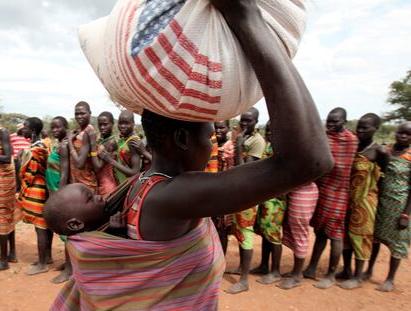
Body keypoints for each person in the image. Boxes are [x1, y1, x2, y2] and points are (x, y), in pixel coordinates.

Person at [50, 1, 332, 309]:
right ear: (183, 138)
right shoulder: (173, 196)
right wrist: (247, 18)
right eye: (209, 135)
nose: (211, 144)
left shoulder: (143, 184)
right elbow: (309, 161)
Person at [304, 107, 358, 289]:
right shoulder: (324, 138)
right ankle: (311, 268)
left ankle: (330, 274)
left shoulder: (350, 140)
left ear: (345, 122)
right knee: (320, 233)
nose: (330, 125)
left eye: (335, 121)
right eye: (328, 121)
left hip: (339, 193)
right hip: (323, 191)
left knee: (335, 236)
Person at [338, 113, 389, 290]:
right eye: (359, 126)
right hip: (347, 199)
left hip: (366, 201)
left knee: (361, 237)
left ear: (376, 129)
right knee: (345, 237)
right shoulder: (353, 146)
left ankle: (358, 276)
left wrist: (378, 199)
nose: (360, 130)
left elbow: (384, 177)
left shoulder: (379, 151)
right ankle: (346, 270)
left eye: (365, 127)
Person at [365, 122, 411, 292]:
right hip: (380, 202)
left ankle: (390, 279)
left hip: (399, 206)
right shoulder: (386, 150)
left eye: (408, 134)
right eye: (401, 132)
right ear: (395, 132)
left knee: (396, 244)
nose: (403, 136)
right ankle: (368, 271)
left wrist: (406, 215)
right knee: (375, 239)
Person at [225, 107, 266, 294]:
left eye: (248, 121)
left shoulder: (257, 142)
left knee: (246, 233)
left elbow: (246, 173)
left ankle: (244, 280)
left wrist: (239, 146)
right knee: (239, 232)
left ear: (256, 122)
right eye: (242, 120)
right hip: (237, 194)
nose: (244, 123)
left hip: (248, 195)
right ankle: (242, 268)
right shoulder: (241, 136)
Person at [252, 120, 286, 286]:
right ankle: (264, 265)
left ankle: (276, 271)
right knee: (265, 232)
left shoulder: (285, 150)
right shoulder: (268, 146)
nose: (269, 134)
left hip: (275, 200)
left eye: (273, 131)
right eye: (268, 130)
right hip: (265, 197)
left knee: (273, 234)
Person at [17, 117, 51, 275]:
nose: (22, 130)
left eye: (25, 127)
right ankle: (47, 257)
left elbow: (29, 174)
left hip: (36, 188)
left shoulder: (35, 150)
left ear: (32, 131)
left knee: (40, 227)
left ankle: (42, 264)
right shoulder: (42, 145)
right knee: (44, 225)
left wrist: (21, 160)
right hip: (42, 187)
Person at [279, 182, 319, 289]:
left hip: (303, 192)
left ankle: (296, 276)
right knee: (296, 232)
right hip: (298, 191)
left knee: (300, 233)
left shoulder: (309, 166)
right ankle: (296, 272)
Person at [45, 116, 71, 283]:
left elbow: (65, 173)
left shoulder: (63, 147)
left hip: (58, 192)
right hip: (53, 191)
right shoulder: (58, 145)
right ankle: (68, 264)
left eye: (58, 127)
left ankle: (69, 270)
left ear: (65, 127)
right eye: (52, 128)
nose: (55, 130)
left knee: (67, 232)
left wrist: (59, 197)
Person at [0, 108, 18, 271]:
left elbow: (7, 157)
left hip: (3, 181)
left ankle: (3, 260)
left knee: (3, 216)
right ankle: (11, 253)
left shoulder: (2, 132)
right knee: (5, 216)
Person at [100, 110, 141, 184]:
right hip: (122, 183)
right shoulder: (124, 138)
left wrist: (110, 160)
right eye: (120, 123)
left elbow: (135, 172)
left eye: (126, 123)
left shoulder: (133, 142)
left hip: (130, 185)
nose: (122, 126)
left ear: (133, 123)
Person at [213, 120, 235, 254]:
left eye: (222, 127)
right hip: (211, 191)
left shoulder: (230, 147)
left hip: (225, 191)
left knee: (223, 229)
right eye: (216, 128)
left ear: (228, 128)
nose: (219, 130)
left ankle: (222, 259)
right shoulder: (211, 145)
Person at [68, 101, 98, 193]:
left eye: (82, 113)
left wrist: (69, 142)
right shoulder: (79, 132)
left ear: (90, 113)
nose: (79, 116)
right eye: (76, 114)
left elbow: (80, 164)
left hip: (86, 185)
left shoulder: (88, 132)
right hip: (77, 183)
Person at [89, 111, 118, 197]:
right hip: (101, 184)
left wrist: (93, 146)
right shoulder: (103, 141)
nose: (102, 127)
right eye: (100, 124)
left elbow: (97, 167)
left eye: (105, 124)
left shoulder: (110, 143)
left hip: (107, 186)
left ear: (112, 124)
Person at [10, 126, 30, 192]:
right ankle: (18, 190)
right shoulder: (12, 136)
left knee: (25, 175)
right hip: (17, 158)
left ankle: (23, 189)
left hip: (26, 158)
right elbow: (10, 145)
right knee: (18, 175)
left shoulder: (27, 135)